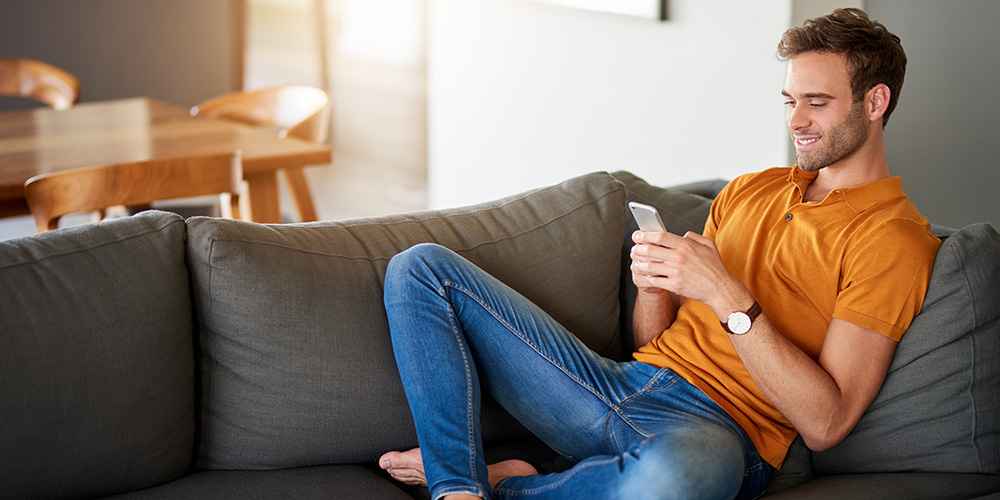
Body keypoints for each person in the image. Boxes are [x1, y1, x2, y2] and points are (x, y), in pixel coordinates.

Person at [379, 8, 941, 500]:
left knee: (677, 476)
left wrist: (727, 295)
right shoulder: (751, 189)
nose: (795, 121)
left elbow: (826, 422)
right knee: (420, 268)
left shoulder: (892, 238)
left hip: (717, 434)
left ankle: (501, 484)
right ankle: (460, 489)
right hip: (615, 390)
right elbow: (653, 343)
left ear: (875, 101)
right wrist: (655, 286)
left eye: (816, 103)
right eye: (790, 100)